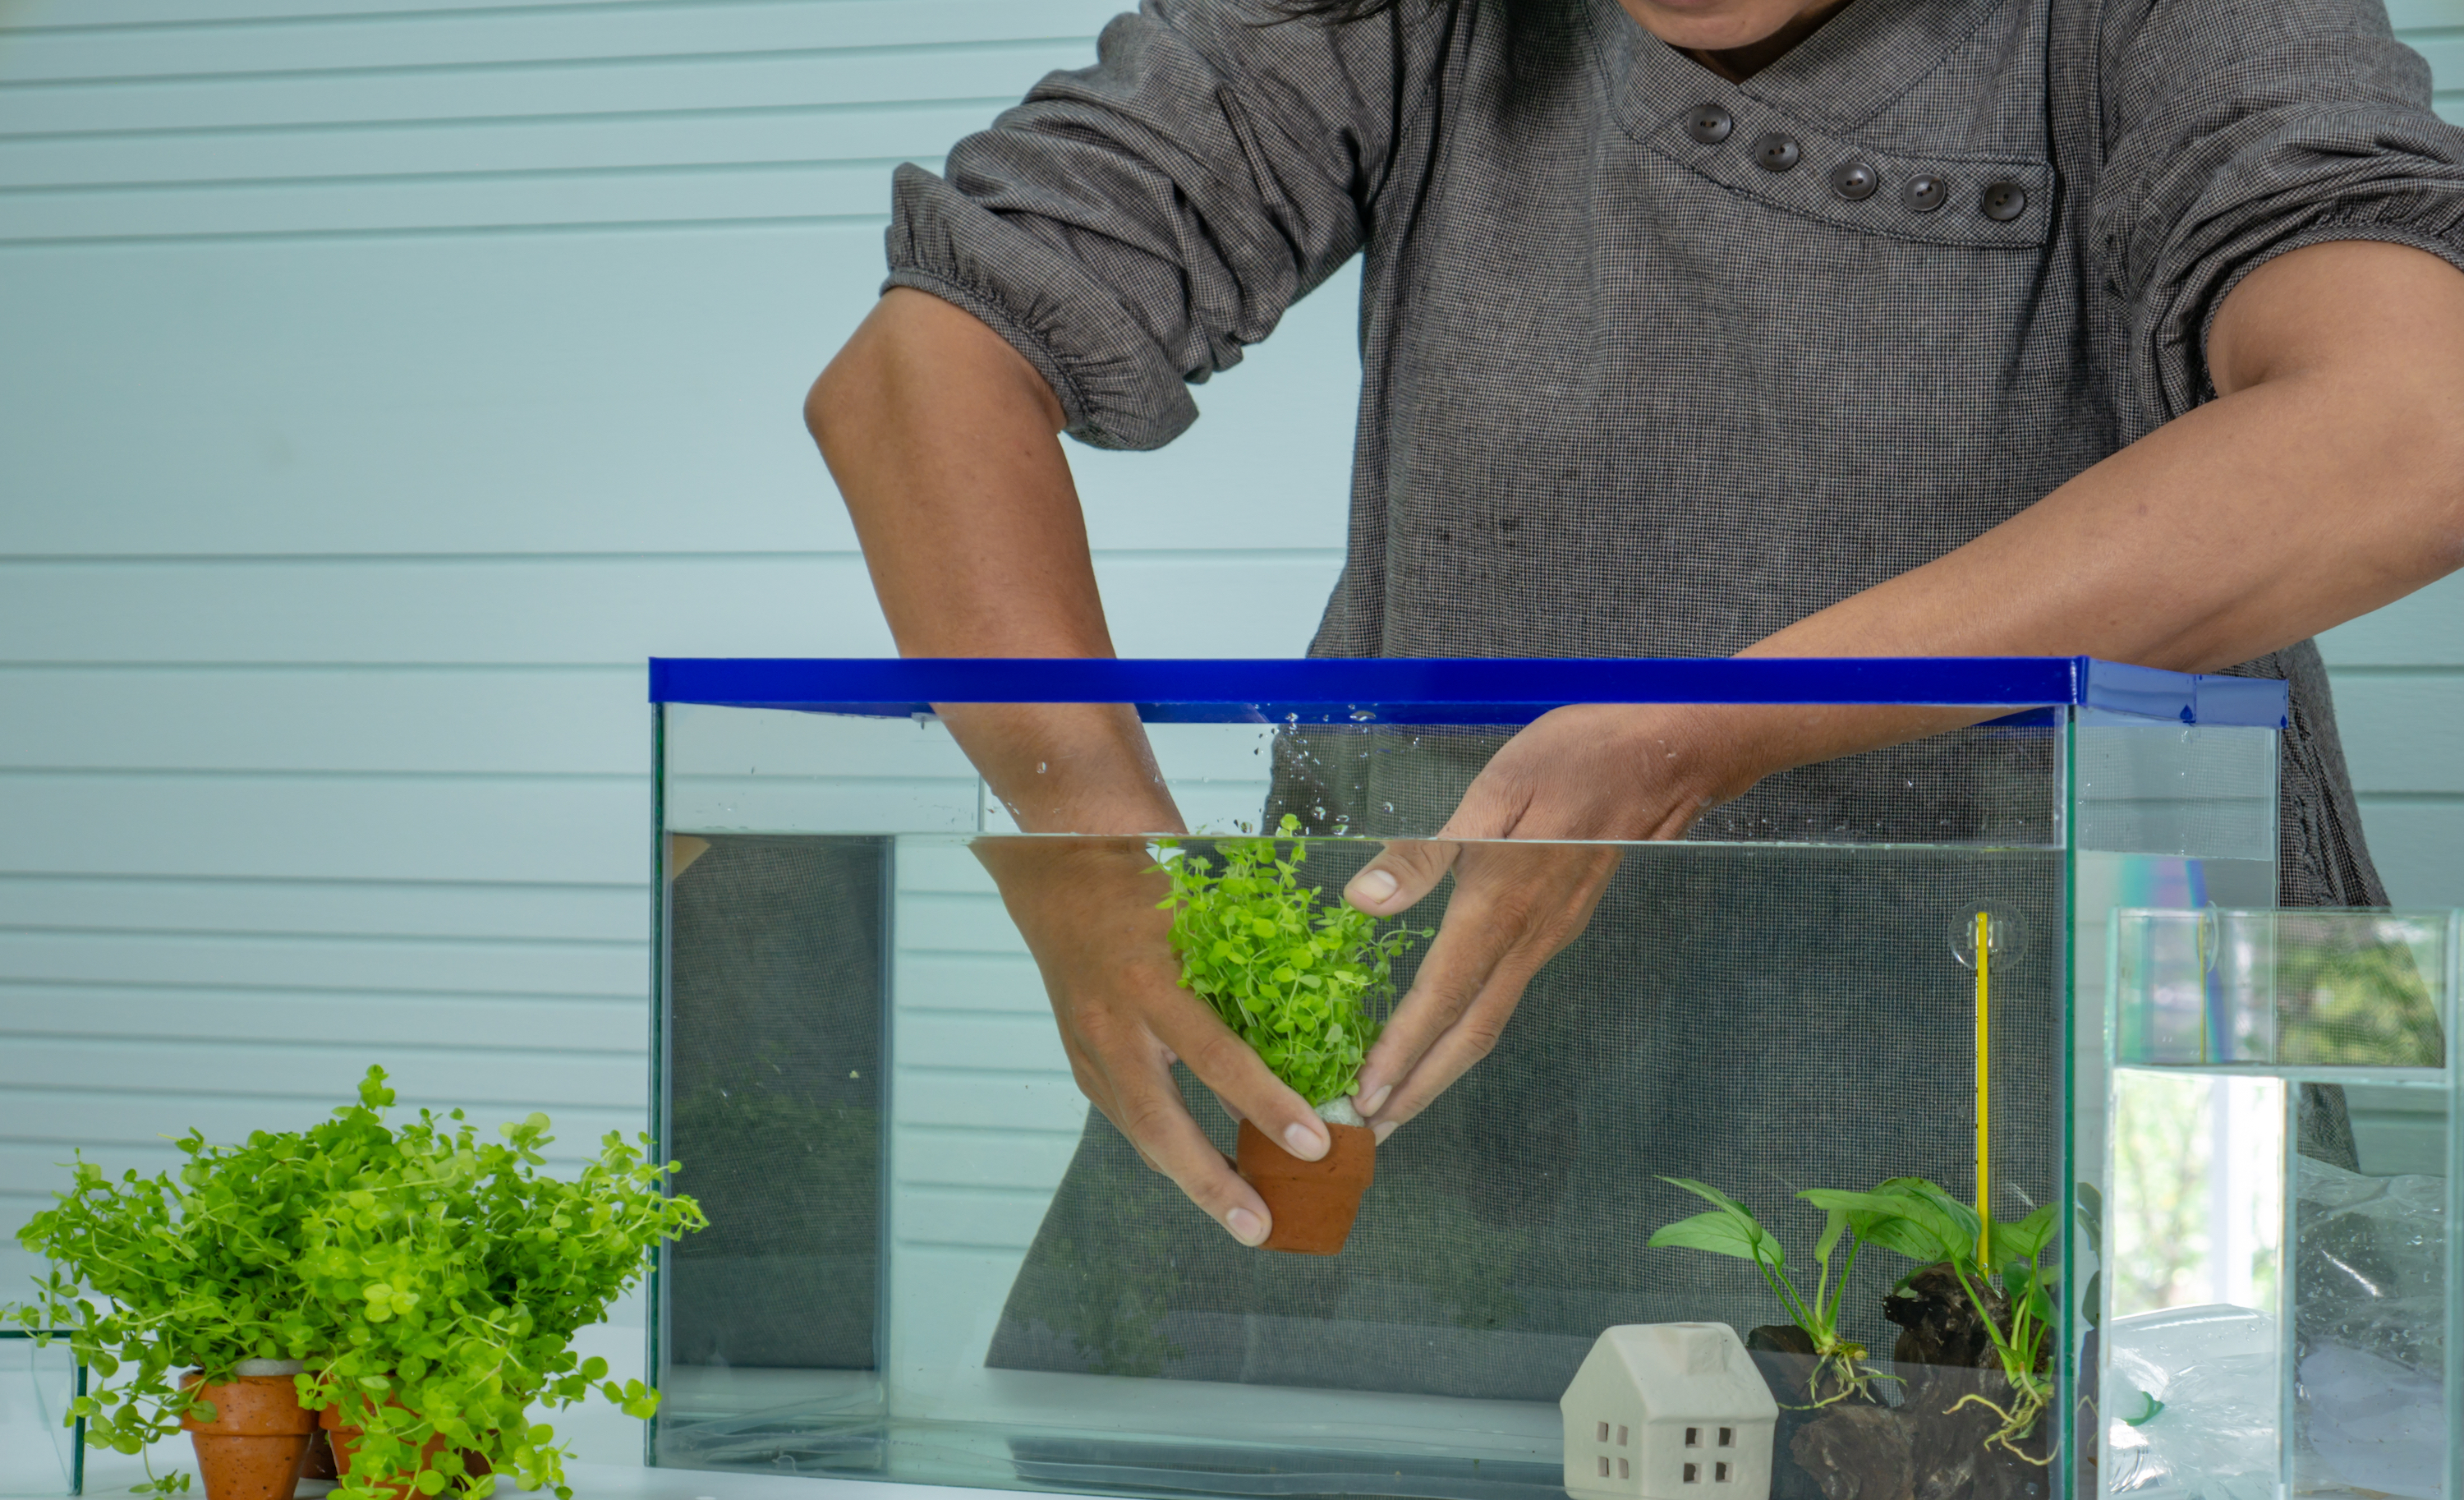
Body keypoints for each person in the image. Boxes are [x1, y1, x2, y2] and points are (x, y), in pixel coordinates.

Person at [805, 0, 2464, 1378]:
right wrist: (1087, 842)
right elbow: (917, 367)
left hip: (2022, 1087)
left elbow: (2414, 424)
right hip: (1437, 1131)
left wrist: (1705, 728)